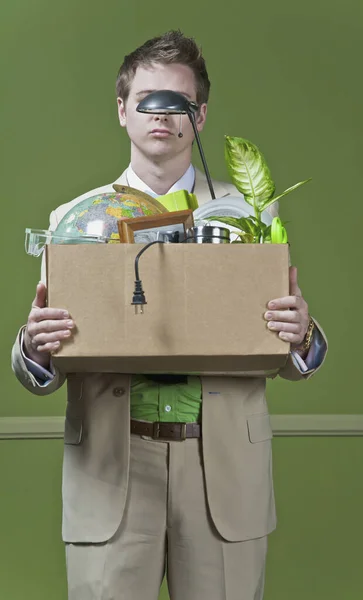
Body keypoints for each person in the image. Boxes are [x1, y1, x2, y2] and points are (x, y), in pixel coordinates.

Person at [12, 30, 327, 600]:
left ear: (199, 117)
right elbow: (45, 358)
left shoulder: (249, 213)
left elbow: (280, 345)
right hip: (111, 470)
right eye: (147, 100)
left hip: (222, 472)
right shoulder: (74, 217)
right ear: (123, 110)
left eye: (177, 102)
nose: (161, 116)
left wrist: (300, 333)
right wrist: (35, 346)